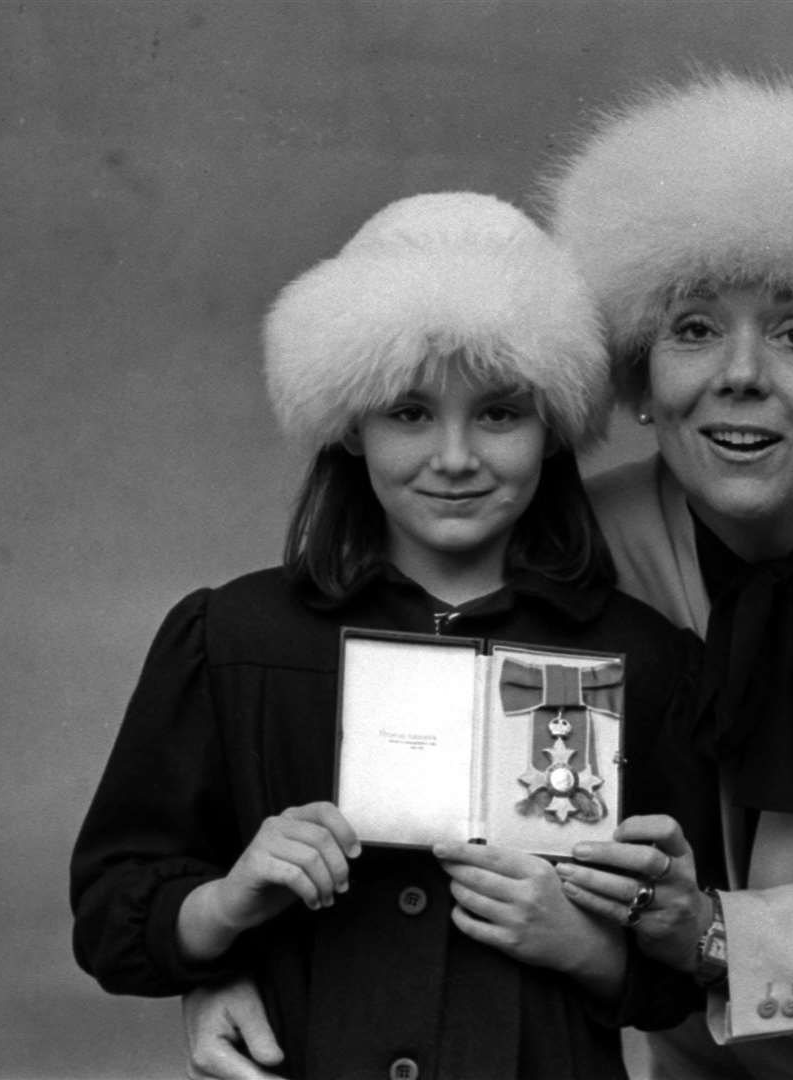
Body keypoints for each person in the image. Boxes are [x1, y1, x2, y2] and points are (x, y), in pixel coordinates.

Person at [184, 73, 793, 1078]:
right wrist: (228, 967)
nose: (739, 374)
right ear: (638, 375)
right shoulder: (582, 544)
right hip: (719, 1063)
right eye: (692, 329)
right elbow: (399, 795)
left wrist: (713, 935)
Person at [70, 192, 722, 1080]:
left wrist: (584, 947)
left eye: (499, 414)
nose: (454, 458)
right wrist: (228, 904)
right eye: (408, 414)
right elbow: (112, 917)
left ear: (556, 426)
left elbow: (679, 975)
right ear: (348, 425)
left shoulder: (642, 659)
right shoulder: (232, 638)